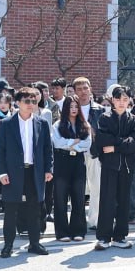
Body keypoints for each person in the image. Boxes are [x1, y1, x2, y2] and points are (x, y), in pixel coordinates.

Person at [0, 86, 53, 257]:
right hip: (12, 173)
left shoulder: (42, 123)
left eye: (34, 101)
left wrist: (49, 169)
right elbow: (0, 150)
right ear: (17, 103)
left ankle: (34, 243)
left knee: (35, 209)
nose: (31, 104)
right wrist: (1, 173)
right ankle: (8, 245)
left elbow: (48, 149)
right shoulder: (6, 124)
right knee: (11, 210)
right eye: (27, 101)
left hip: (35, 172)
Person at [93, 85, 135, 251]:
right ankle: (104, 237)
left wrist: (115, 146)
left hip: (127, 167)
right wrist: (123, 142)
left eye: (125, 99)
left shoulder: (134, 120)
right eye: (118, 99)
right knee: (107, 200)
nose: (122, 102)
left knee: (124, 202)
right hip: (109, 165)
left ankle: (120, 236)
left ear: (129, 101)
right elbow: (102, 139)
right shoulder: (104, 118)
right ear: (112, 100)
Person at [50, 95, 92, 242]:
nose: (73, 109)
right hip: (62, 161)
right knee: (60, 198)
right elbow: (57, 143)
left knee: (78, 197)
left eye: (76, 106)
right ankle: (62, 232)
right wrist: (73, 141)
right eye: (71, 107)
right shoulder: (57, 125)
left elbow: (87, 144)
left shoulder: (84, 124)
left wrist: (72, 144)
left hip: (78, 162)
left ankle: (78, 230)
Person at [72, 77, 104, 225]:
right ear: (74, 91)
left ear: (90, 89)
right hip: (74, 153)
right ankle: (78, 221)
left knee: (96, 188)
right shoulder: (69, 109)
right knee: (76, 190)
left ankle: (95, 220)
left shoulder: (100, 110)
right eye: (79, 89)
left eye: (85, 88)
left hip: (94, 153)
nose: (83, 92)